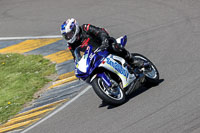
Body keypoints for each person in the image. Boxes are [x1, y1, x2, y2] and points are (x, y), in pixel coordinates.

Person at [60, 18, 144, 69]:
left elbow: (100, 32)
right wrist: (78, 67)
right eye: (66, 36)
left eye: (70, 34)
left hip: (105, 45)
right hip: (95, 56)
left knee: (114, 47)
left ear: (75, 29)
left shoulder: (85, 28)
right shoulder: (71, 45)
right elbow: (76, 58)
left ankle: (132, 60)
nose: (69, 37)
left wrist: (104, 41)